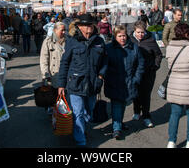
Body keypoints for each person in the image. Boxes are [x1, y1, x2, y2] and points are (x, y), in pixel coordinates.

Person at [57, 13, 107, 147]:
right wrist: (61, 84)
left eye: (90, 24)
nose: (88, 27)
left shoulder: (99, 41)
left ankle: (81, 129)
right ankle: (80, 140)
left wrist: (101, 76)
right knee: (78, 113)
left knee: (88, 113)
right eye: (85, 25)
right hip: (75, 83)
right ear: (80, 27)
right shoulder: (72, 41)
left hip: (92, 84)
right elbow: (64, 63)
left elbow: (105, 62)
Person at [165, 23, 189, 148]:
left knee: (174, 114)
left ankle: (171, 141)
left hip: (175, 82)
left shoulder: (170, 47)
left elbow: (169, 65)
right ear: (187, 34)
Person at [104, 25, 145, 140]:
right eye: (120, 36)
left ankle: (119, 123)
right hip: (114, 81)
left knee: (123, 104)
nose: (122, 38)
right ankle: (116, 128)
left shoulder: (134, 48)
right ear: (115, 36)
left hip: (129, 81)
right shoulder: (109, 48)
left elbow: (140, 64)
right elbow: (104, 64)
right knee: (116, 104)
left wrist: (136, 78)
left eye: (124, 35)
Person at [130, 21, 162, 128]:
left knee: (146, 95)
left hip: (148, 72)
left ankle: (146, 116)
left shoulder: (151, 40)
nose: (140, 35)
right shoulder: (130, 40)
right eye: (138, 32)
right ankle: (136, 112)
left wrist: (155, 66)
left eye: (142, 32)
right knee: (136, 93)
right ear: (134, 31)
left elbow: (158, 54)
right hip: (134, 72)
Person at [40, 22, 66, 113]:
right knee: (54, 98)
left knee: (63, 99)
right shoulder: (48, 41)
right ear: (55, 30)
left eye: (64, 30)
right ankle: (55, 118)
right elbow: (44, 60)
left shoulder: (67, 41)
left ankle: (62, 119)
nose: (64, 32)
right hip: (53, 75)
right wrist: (45, 75)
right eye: (61, 30)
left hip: (64, 75)